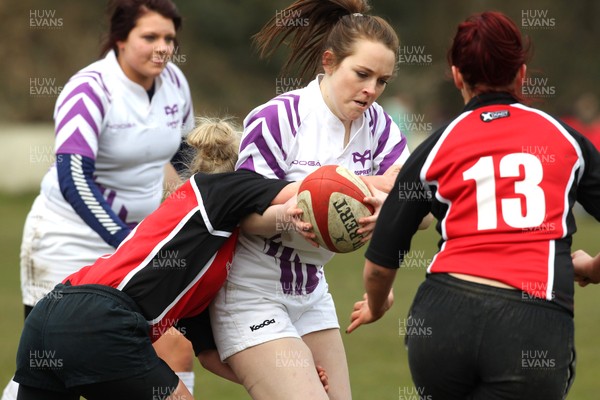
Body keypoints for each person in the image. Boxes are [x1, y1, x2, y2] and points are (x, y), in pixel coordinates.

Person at [347, 10, 600, 400]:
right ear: (522, 73)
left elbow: (380, 264)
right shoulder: (566, 141)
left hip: (442, 320)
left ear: (456, 76)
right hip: (531, 323)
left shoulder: (435, 146)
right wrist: (593, 268)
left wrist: (378, 307)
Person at [12, 117, 331, 400]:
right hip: (101, 320)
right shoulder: (218, 189)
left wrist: (288, 377)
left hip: (48, 317)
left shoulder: (200, 250)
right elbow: (305, 192)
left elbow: (209, 355)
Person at [209, 1, 410, 399]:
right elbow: (245, 214)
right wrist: (288, 215)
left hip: (311, 290)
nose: (371, 90)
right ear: (330, 61)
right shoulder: (279, 118)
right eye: (362, 74)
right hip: (253, 290)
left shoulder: (380, 126)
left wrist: (391, 208)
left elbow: (416, 203)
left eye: (383, 81)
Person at [2, 1, 196, 399]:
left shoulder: (175, 83)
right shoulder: (90, 88)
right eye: (150, 37)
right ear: (121, 40)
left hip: (133, 247)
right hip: (66, 240)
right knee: (50, 364)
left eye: (169, 39)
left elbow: (185, 156)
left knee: (174, 345)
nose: (163, 48)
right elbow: (74, 178)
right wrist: (128, 240)